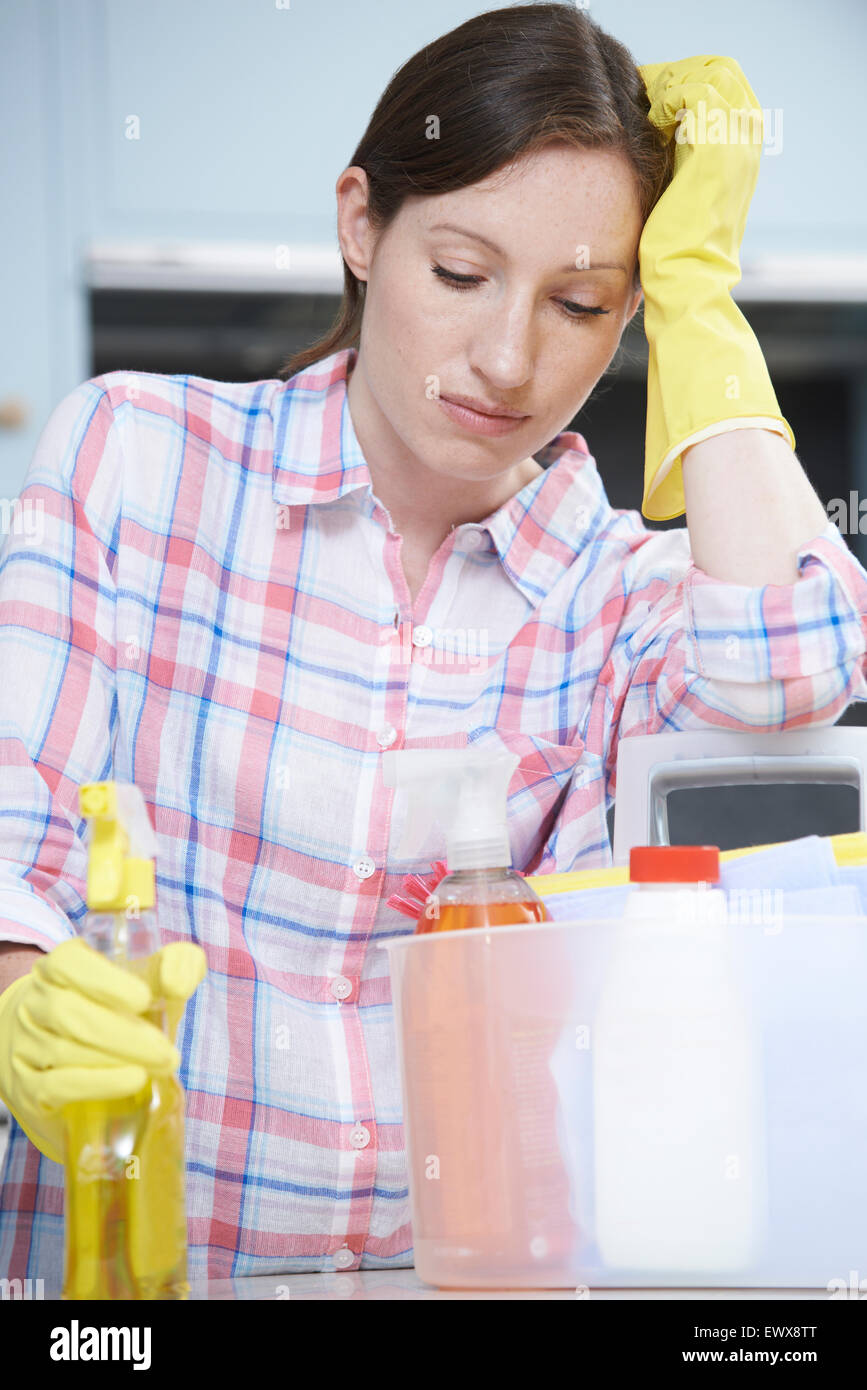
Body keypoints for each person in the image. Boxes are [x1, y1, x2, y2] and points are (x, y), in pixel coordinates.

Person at [1, 2, 866, 1284]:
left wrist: (701, 301)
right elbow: (15, 844)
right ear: (363, 225)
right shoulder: (137, 458)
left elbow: (797, 660)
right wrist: (24, 999)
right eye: (461, 275)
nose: (507, 357)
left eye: (580, 301)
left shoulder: (616, 588)